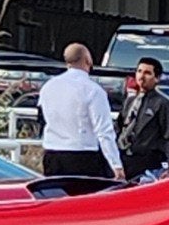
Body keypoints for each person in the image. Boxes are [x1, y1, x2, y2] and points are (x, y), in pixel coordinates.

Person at [35, 41, 121, 186]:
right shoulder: (93, 90)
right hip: (83, 155)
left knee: (57, 201)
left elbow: (41, 119)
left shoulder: (48, 87)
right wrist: (116, 165)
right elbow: (104, 131)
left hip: (52, 153)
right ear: (88, 60)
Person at [115, 55, 169, 183]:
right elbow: (118, 127)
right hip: (124, 158)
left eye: (147, 73)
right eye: (139, 71)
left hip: (146, 162)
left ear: (157, 78)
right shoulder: (129, 101)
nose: (141, 76)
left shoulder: (161, 104)